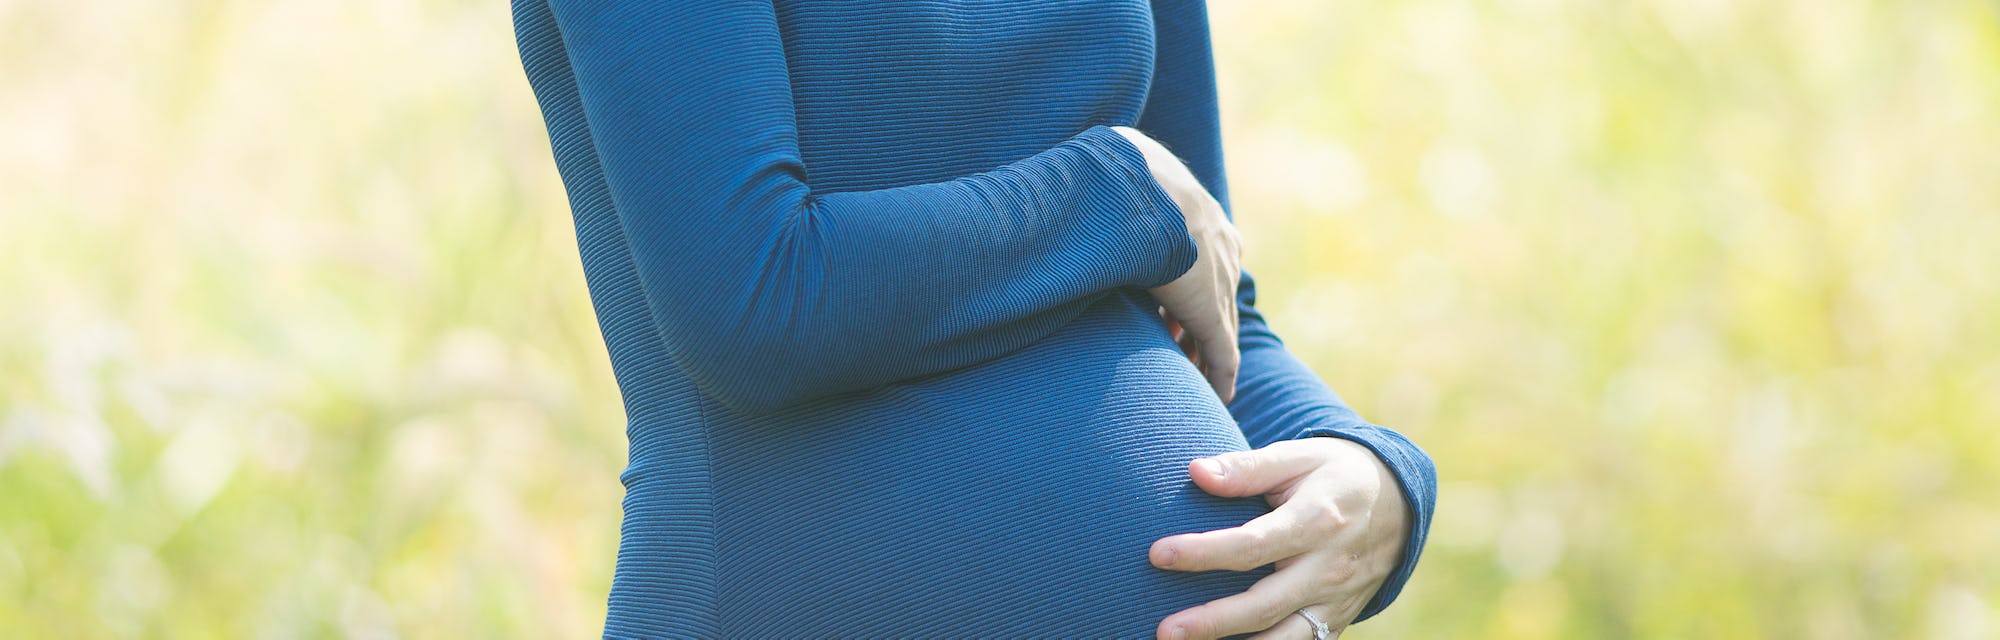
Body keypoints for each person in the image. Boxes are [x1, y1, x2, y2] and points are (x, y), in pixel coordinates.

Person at [510, 1, 1436, 637]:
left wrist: (1374, 478)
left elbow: (1206, 301)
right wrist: (1116, 192)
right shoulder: (1122, 189)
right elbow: (754, 304)